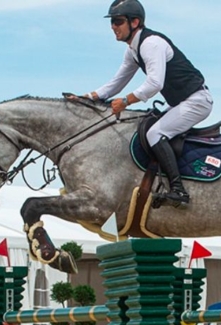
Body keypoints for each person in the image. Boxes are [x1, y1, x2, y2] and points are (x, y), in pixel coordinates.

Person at [79, 0, 213, 208]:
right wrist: (87, 97)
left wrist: (125, 101)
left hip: (197, 101)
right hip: (182, 101)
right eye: (112, 22)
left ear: (135, 22)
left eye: (118, 21)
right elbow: (117, 82)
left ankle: (178, 190)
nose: (113, 26)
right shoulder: (133, 50)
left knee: (155, 134)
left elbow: (154, 83)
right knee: (143, 124)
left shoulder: (151, 44)